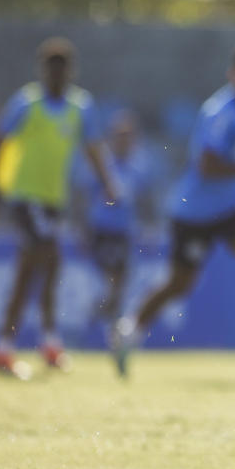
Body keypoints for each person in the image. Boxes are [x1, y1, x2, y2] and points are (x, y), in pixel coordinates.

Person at [113, 38, 235, 378]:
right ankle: (128, 331)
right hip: (193, 212)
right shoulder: (219, 112)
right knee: (179, 284)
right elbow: (206, 165)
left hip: (229, 208)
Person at [0, 37, 117, 378]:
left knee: (41, 269)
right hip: (25, 197)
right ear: (42, 71)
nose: (56, 75)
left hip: (54, 200)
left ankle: (16, 345)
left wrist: (107, 182)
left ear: (71, 71)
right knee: (43, 262)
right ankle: (33, 344)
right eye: (50, 68)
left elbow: (93, 147)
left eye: (62, 68)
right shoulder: (26, 104)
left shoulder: (80, 107)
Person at [74, 109, 152, 334]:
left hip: (125, 232)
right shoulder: (103, 164)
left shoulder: (139, 165)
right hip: (102, 230)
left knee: (120, 287)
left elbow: (144, 198)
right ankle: (102, 324)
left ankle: (99, 320)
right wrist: (81, 228)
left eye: (128, 135)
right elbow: (82, 195)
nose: (124, 140)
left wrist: (148, 223)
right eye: (120, 135)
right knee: (116, 282)